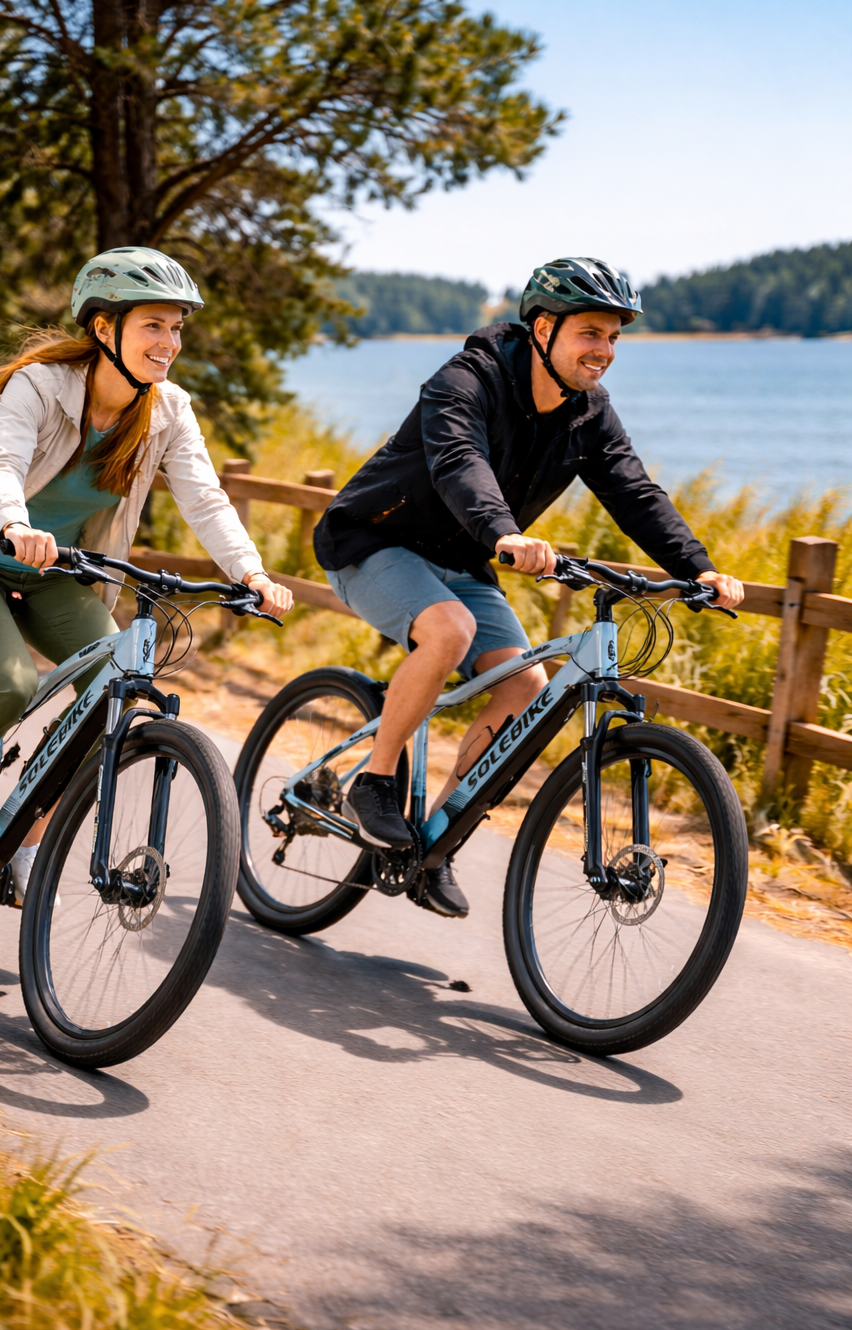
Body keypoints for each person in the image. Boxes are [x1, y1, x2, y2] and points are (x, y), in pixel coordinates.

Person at [314, 256, 744, 919]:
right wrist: (505, 533)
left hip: (468, 559)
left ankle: (433, 847)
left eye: (613, 338)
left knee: (525, 691)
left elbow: (632, 490)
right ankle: (373, 780)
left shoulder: (588, 412)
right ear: (543, 326)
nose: (603, 351)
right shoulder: (466, 379)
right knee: (449, 631)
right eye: (590, 333)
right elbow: (460, 459)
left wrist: (698, 567)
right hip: (372, 540)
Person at [0, 247, 293, 900]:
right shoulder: (42, 387)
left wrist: (252, 572)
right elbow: (1, 465)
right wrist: (14, 525)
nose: (169, 342)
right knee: (9, 683)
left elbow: (205, 498)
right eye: (153, 325)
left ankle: (25, 838)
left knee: (112, 690)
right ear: (104, 328)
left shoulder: (167, 411)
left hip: (54, 572)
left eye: (177, 327)